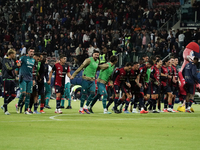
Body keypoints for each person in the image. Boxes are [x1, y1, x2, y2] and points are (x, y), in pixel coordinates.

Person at [70, 50, 100, 114]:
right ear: (92, 54)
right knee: (84, 94)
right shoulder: (88, 60)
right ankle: (80, 109)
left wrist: (95, 75)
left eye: (97, 55)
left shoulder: (97, 61)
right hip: (85, 79)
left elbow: (95, 69)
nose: (96, 56)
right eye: (95, 55)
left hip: (92, 80)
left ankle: (85, 107)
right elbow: (81, 67)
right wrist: (74, 75)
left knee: (92, 93)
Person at [1, 49, 21, 115]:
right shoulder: (5, 60)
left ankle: (4, 105)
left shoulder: (12, 61)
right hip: (6, 79)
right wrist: (16, 66)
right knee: (6, 95)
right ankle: (6, 110)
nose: (15, 55)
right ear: (11, 54)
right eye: (14, 54)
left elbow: (12, 70)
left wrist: (15, 76)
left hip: (12, 79)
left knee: (14, 95)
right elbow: (8, 68)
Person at [16, 47, 35, 114]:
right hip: (23, 78)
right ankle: (18, 105)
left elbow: (31, 70)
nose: (32, 53)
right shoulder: (23, 58)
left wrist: (33, 79)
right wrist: (18, 64)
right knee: (23, 93)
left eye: (33, 52)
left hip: (30, 79)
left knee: (28, 95)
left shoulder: (33, 60)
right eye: (31, 51)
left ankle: (26, 110)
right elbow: (18, 62)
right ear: (28, 52)